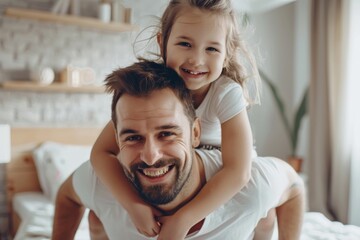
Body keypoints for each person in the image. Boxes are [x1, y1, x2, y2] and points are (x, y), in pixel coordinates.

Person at [52, 61, 305, 240]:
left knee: (265, 216)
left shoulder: (250, 188)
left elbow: (294, 189)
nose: (151, 156)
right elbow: (66, 196)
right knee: (97, 219)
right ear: (116, 140)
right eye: (133, 137)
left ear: (196, 133)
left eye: (167, 134)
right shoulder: (103, 182)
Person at [90, 1, 262, 239]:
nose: (196, 60)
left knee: (264, 210)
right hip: (178, 170)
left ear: (226, 55)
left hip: (218, 172)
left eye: (211, 49)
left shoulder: (226, 92)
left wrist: (183, 220)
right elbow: (100, 152)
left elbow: (238, 171)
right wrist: (133, 205)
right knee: (97, 211)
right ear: (163, 43)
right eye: (185, 44)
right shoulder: (152, 89)